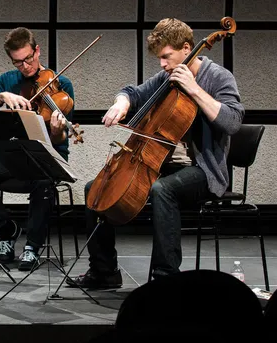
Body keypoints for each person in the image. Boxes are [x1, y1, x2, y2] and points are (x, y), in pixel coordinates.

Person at [67, 17, 244, 289]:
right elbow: (132, 92)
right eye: (159, 58)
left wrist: (194, 90)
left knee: (163, 190)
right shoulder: (166, 78)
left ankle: (165, 282)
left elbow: (232, 122)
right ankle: (104, 272)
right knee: (96, 189)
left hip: (202, 171)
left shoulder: (218, 77)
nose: (162, 64)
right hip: (159, 164)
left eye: (166, 56)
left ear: (187, 48)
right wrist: (122, 102)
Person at [0, 27, 75, 271]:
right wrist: (2, 97)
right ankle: (6, 229)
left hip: (46, 155)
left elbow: (61, 139)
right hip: (13, 153)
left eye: (28, 58)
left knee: (43, 182)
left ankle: (33, 247)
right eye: (18, 62)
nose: (25, 66)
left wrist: (57, 130)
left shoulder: (60, 83)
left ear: (37, 50)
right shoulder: (7, 80)